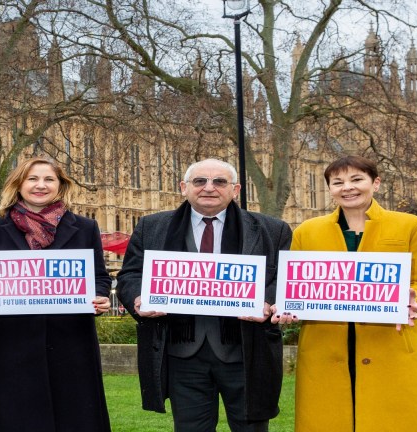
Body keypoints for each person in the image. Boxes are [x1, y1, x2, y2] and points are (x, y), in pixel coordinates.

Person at [116, 158, 292, 432]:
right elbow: (129, 275)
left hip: (246, 352)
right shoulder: (152, 227)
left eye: (219, 181)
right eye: (200, 181)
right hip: (182, 354)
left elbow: (282, 278)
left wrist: (268, 301)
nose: (209, 188)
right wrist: (139, 298)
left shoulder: (272, 229)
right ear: (184, 187)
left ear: (235, 190)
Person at [271, 155, 417, 431]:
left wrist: (414, 300)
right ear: (330, 189)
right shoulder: (307, 230)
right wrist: (286, 306)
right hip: (325, 345)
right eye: (338, 182)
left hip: (389, 343)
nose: (348, 187)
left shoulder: (409, 225)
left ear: (376, 183)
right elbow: (294, 285)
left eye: (357, 179)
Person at [0, 157, 112, 432]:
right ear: (19, 184)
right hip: (12, 341)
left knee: (74, 415)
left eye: (49, 179)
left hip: (71, 341)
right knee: (14, 416)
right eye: (32, 179)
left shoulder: (85, 228)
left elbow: (99, 276)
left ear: (60, 185)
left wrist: (100, 296)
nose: (41, 185)